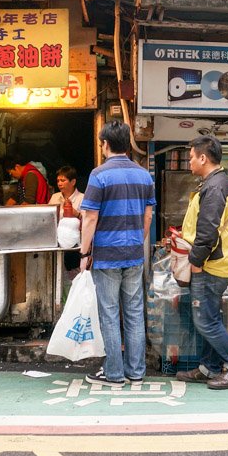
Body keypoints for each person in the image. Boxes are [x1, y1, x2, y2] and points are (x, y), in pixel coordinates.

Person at [78, 122, 155, 388]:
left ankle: (113, 373)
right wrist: (136, 240)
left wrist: (84, 252)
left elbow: (90, 218)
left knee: (109, 314)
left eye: (102, 143)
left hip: (107, 255)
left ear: (106, 144)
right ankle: (136, 371)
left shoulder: (98, 175)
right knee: (134, 312)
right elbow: (148, 216)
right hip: (134, 254)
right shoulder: (144, 175)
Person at [175, 135, 228, 390]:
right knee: (210, 317)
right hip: (213, 263)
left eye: (192, 157)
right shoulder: (214, 183)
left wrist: (196, 260)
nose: (190, 161)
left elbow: (207, 231)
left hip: (210, 265)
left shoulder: (215, 187)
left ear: (203, 158)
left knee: (205, 320)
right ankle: (209, 367)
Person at [49, 166, 85, 273]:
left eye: (63, 180)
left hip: (76, 246)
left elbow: (89, 222)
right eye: (58, 181)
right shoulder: (55, 198)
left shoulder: (83, 198)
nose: (59, 183)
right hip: (58, 244)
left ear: (73, 182)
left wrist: (76, 214)